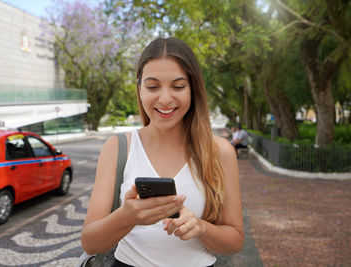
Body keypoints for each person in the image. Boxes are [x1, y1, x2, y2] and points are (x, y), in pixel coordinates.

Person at [81, 37, 244, 267]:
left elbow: (235, 241)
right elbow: (90, 242)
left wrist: (201, 227)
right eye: (152, 87)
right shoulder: (118, 148)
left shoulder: (220, 151)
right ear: (139, 89)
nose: (165, 99)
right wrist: (127, 216)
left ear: (193, 89)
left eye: (178, 86)